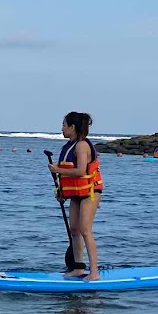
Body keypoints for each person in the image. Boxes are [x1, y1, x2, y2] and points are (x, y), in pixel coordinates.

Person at [49, 111, 103, 280]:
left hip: (90, 192)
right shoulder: (70, 146)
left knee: (85, 230)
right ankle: (78, 267)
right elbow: (69, 173)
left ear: (73, 127)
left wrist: (58, 169)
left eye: (64, 125)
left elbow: (81, 170)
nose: (62, 128)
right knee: (74, 230)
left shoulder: (82, 146)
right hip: (76, 193)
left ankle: (94, 272)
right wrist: (62, 192)